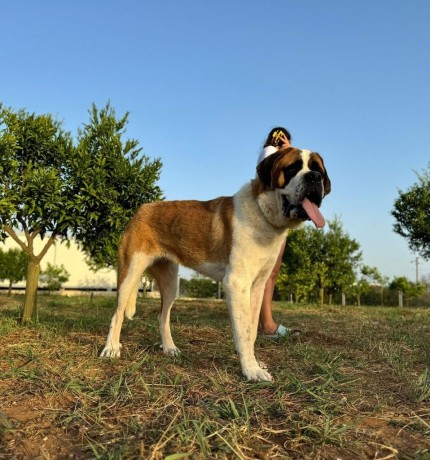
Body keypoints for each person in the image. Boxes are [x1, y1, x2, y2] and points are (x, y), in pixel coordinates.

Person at [257, 127, 300, 338]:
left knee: (272, 272)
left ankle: (264, 321)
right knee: (267, 271)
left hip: (279, 219)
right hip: (267, 220)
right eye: (282, 139)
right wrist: (289, 150)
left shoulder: (282, 158)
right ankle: (266, 324)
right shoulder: (268, 155)